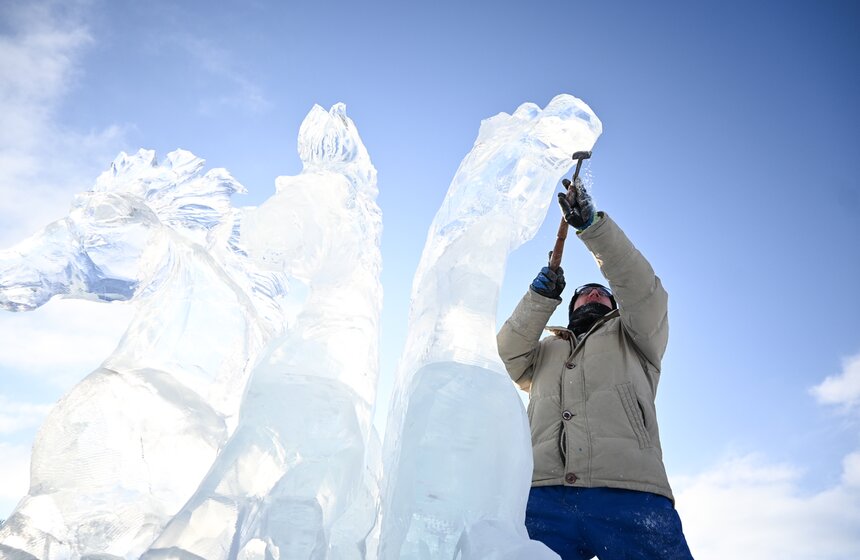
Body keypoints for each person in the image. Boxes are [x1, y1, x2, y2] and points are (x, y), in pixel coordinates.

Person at [497, 179, 694, 559]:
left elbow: (642, 290)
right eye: (583, 294)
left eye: (601, 293)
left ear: (613, 304)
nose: (593, 294)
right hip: (542, 495)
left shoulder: (636, 337)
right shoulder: (545, 352)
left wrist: (592, 228)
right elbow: (507, 354)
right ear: (569, 308)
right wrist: (540, 297)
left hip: (630, 492)